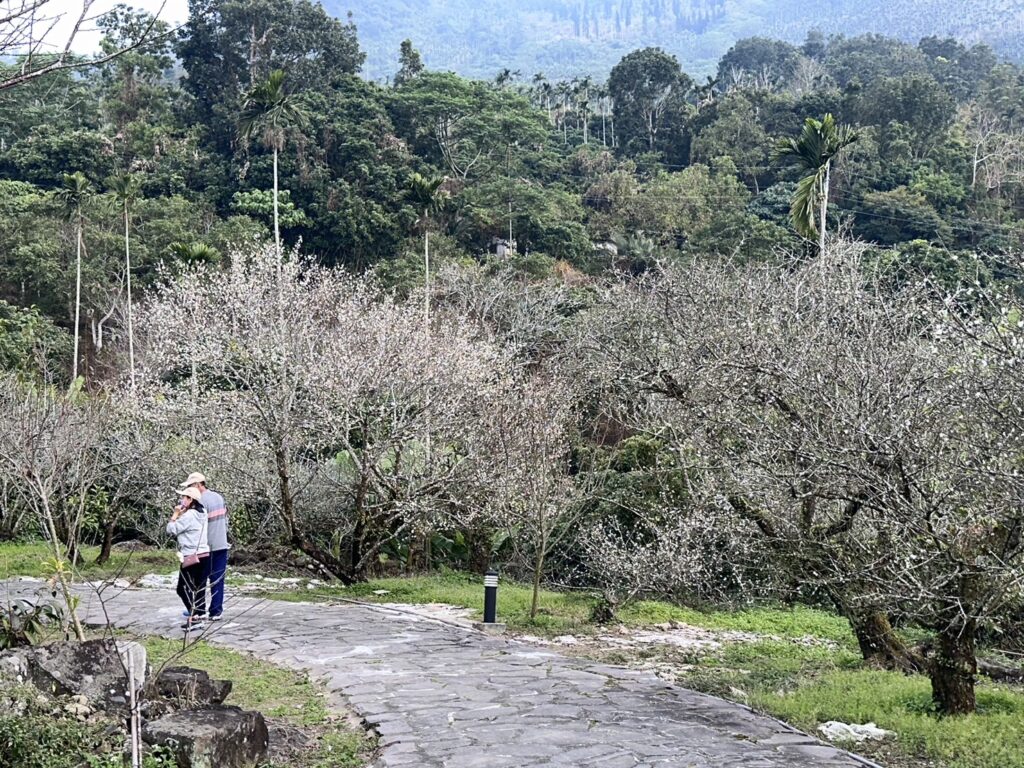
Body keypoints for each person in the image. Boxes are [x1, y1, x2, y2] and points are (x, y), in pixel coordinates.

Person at [180, 472, 230, 621]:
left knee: (198, 580)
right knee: (217, 579)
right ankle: (216, 611)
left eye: (190, 486)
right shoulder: (218, 497)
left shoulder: (200, 502)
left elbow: (196, 526)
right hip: (221, 543)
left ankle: (197, 609)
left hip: (206, 547)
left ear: (197, 485)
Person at [167, 486, 210, 631]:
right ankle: (199, 615)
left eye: (184, 497)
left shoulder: (189, 515)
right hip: (204, 555)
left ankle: (194, 615)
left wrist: (175, 514)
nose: (181, 500)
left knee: (182, 588)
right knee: (198, 588)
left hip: (191, 556)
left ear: (190, 499)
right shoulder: (203, 513)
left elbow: (171, 529)